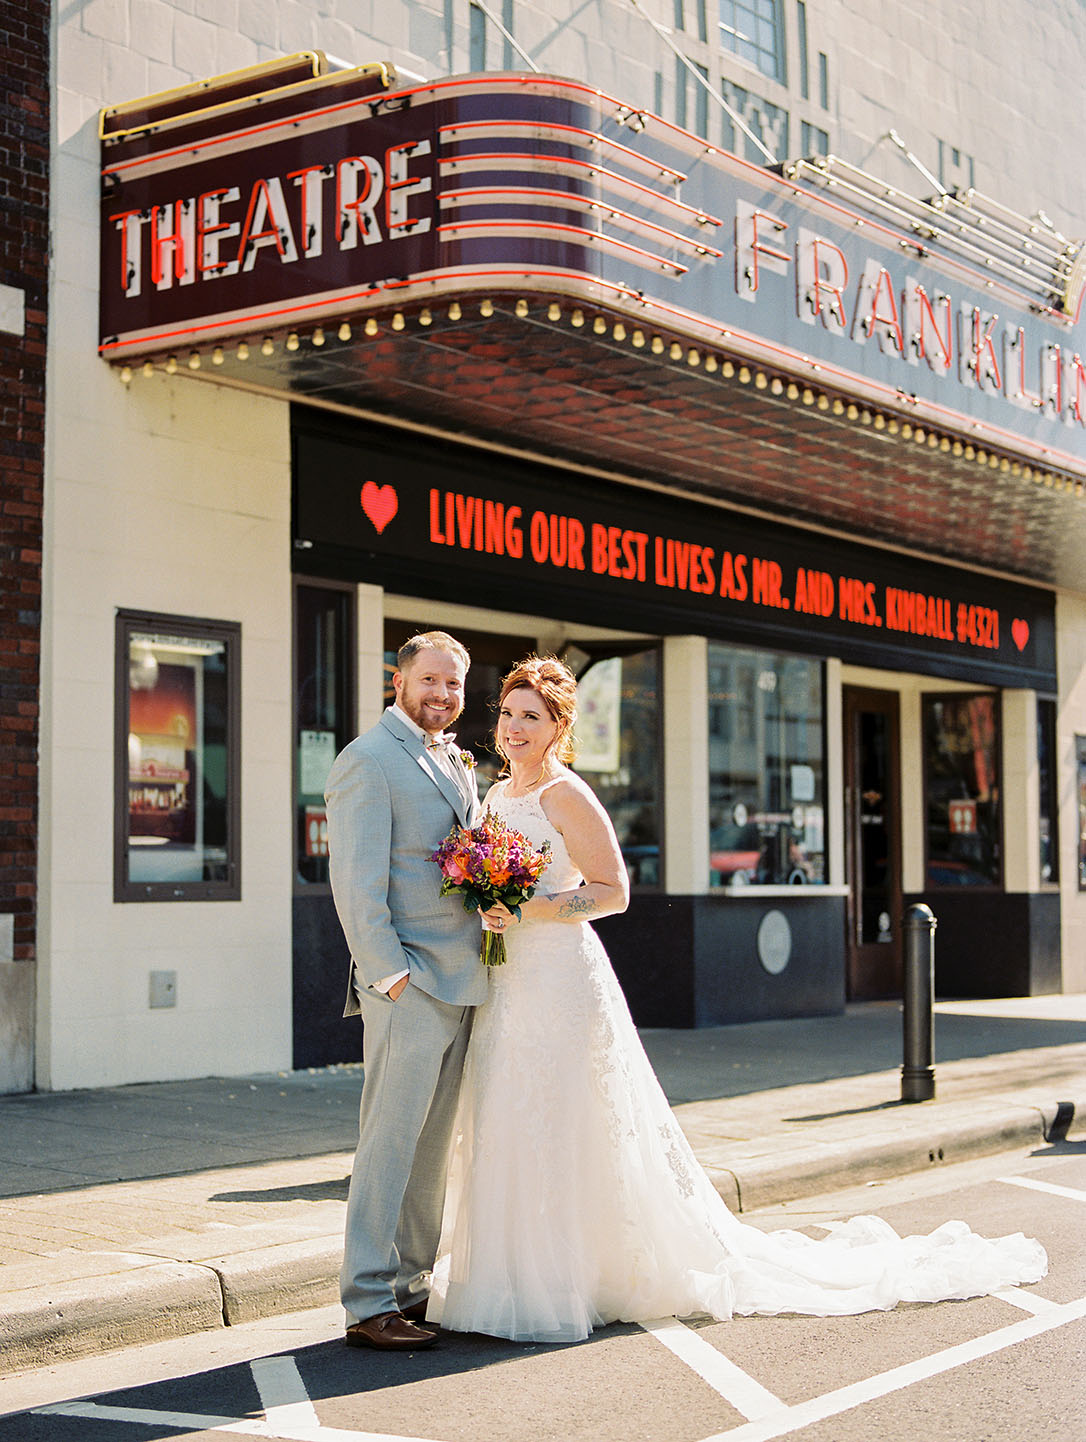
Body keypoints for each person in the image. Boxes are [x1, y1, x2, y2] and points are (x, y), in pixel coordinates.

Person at [426, 655, 1047, 1344]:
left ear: (558, 725)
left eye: (530, 718)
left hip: (560, 979)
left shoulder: (566, 795)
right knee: (508, 1115)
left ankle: (574, 1275)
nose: (513, 728)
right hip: (507, 981)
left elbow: (614, 890)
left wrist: (537, 908)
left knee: (564, 1121)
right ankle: (509, 1274)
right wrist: (489, 902)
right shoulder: (496, 792)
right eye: (508, 715)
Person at [325, 630, 486, 1351]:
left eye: (453, 685)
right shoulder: (368, 760)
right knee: (388, 1145)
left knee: (430, 1149)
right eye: (431, 681)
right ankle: (366, 1301)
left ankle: (409, 1289)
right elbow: (357, 886)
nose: (443, 695)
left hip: (465, 979)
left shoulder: (452, 758)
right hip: (411, 984)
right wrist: (390, 976)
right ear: (399, 680)